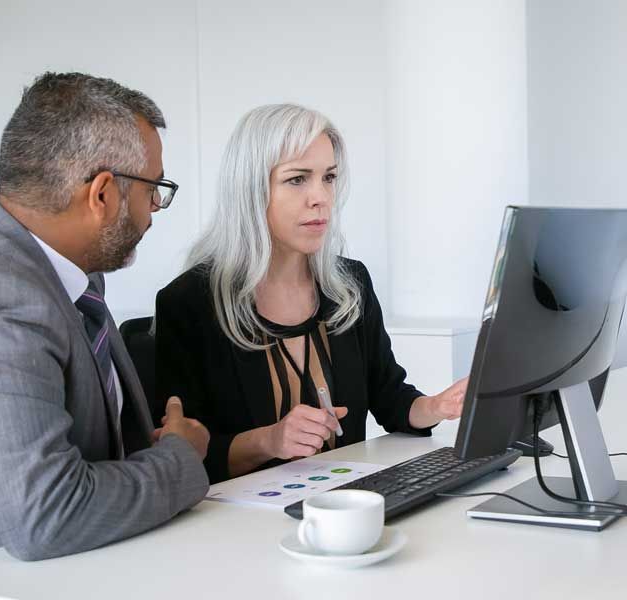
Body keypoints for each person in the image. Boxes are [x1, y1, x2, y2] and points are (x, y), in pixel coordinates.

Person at [0, 73, 210, 599]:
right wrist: (180, 458)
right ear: (101, 194)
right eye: (153, 190)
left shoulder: (65, 273)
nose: (154, 212)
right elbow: (47, 515)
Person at [154, 104, 465, 484]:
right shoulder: (189, 303)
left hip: (343, 506)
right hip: (239, 526)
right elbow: (184, 457)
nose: (321, 197)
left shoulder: (351, 284)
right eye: (298, 179)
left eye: (329, 177)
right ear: (251, 189)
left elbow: (390, 398)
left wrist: (436, 406)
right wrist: (269, 440)